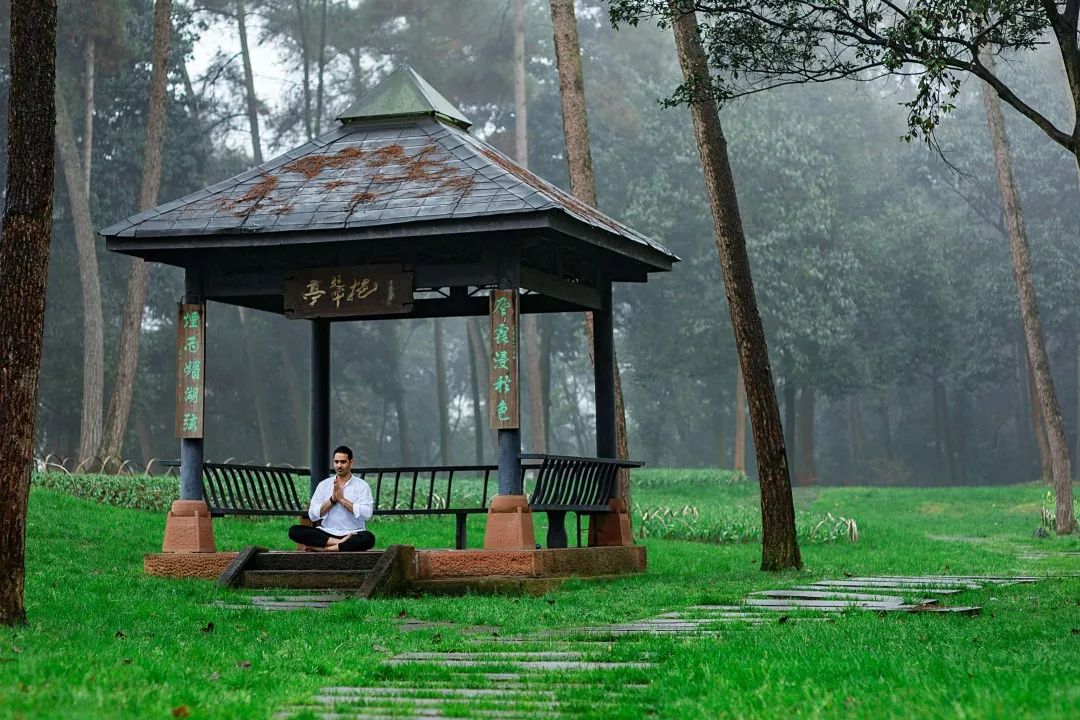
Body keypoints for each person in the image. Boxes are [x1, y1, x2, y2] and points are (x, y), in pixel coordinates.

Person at [288, 445, 376, 552]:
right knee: (294, 531)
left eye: (343, 462)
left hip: (353, 533)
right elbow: (312, 516)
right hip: (327, 533)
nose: (339, 465)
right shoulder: (324, 485)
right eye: (336, 462)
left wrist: (342, 500)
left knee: (368, 539)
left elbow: (367, 514)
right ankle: (339, 544)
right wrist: (332, 500)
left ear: (351, 463)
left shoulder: (362, 486)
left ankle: (325, 549)